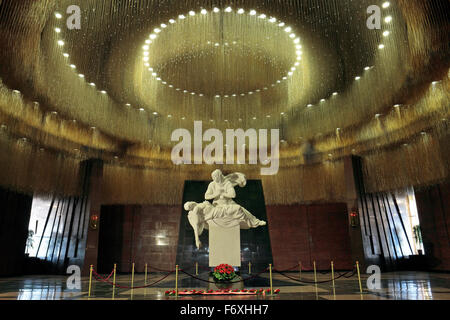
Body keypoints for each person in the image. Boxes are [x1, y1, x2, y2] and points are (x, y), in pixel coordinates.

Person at [184, 170, 266, 249]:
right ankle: (254, 222)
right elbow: (207, 196)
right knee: (238, 209)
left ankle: (255, 222)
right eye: (213, 178)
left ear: (220, 176)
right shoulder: (211, 186)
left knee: (243, 210)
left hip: (227, 203)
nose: (215, 179)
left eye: (216, 177)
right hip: (217, 205)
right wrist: (217, 193)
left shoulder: (227, 183)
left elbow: (233, 195)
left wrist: (223, 193)